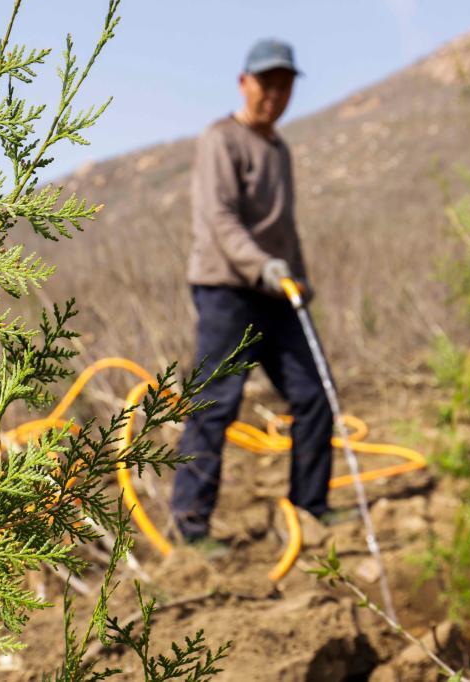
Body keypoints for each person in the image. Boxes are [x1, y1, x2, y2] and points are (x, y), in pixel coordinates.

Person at [171, 39, 351, 553]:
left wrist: (297, 276)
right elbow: (220, 220)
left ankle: (310, 506)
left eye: (285, 84)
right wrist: (262, 267)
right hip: (227, 290)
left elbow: (283, 230)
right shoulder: (220, 140)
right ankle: (192, 526)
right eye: (266, 82)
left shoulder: (279, 149)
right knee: (215, 404)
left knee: (315, 394)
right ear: (244, 82)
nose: (275, 93)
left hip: (279, 291)